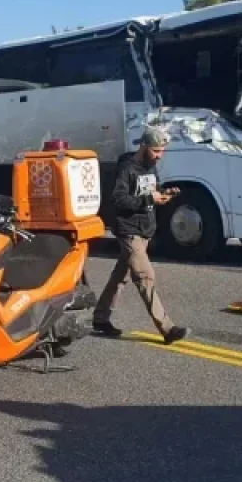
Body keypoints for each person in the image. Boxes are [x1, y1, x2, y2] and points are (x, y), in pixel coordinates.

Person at [92, 126, 190, 344]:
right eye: (156, 151)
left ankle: (100, 317)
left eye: (162, 152)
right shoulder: (127, 168)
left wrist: (163, 194)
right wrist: (149, 200)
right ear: (144, 146)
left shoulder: (150, 168)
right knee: (146, 277)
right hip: (129, 231)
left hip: (145, 230)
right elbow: (118, 200)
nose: (159, 156)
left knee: (120, 276)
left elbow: (150, 192)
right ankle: (167, 328)